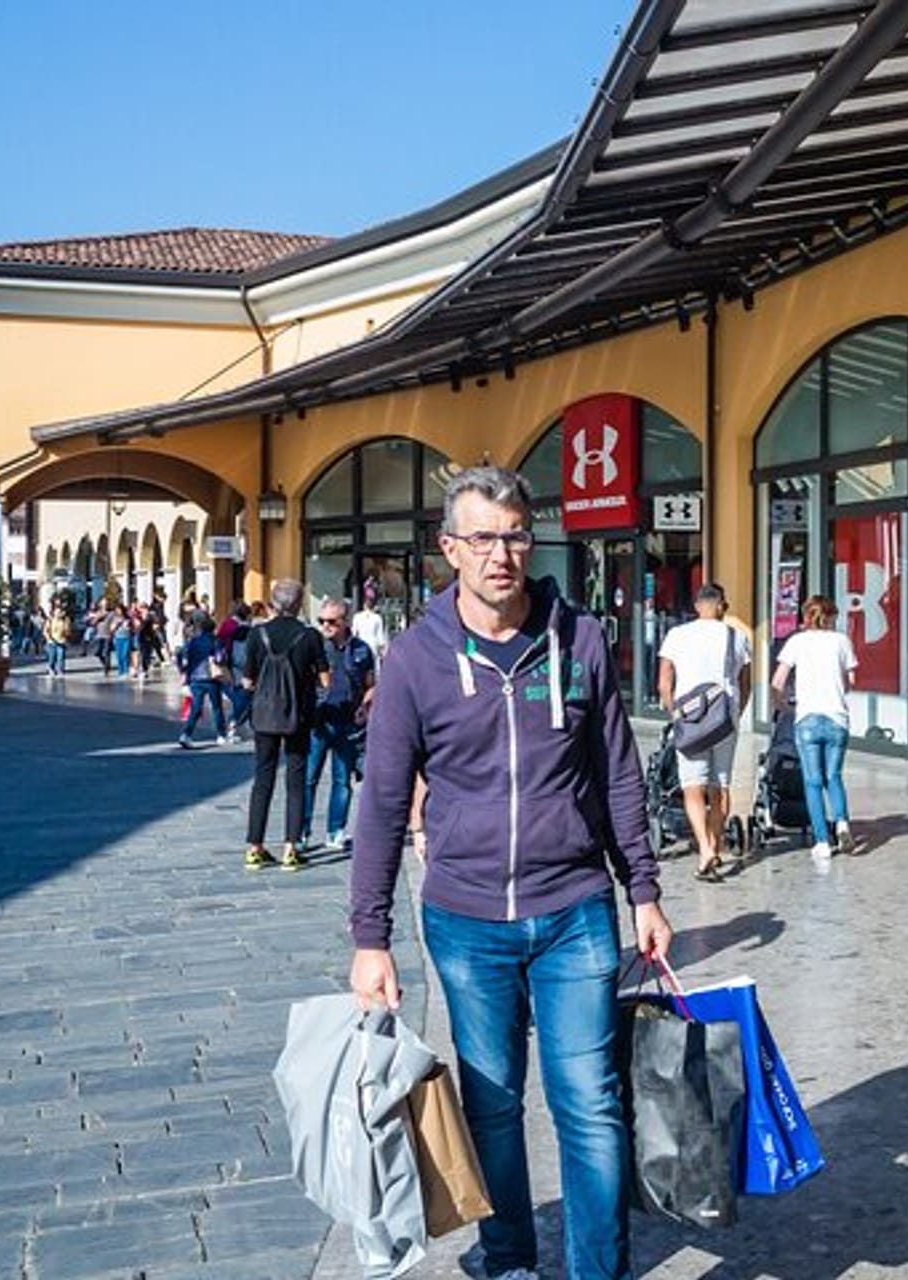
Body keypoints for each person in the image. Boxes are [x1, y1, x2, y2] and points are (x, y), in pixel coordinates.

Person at [349, 465, 670, 1280]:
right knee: (492, 1104)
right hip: (465, 920)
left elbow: (619, 773)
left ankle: (598, 1272)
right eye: (484, 538)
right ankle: (510, 1257)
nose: (502, 554)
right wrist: (370, 938)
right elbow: (381, 802)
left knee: (590, 1102)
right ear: (451, 549)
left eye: (517, 535)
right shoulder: (415, 661)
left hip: (575, 908)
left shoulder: (580, 639)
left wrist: (643, 888)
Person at [656, 583, 750, 882]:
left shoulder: (676, 635)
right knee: (720, 786)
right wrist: (736, 712)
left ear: (697, 606)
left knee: (692, 787)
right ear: (722, 606)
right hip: (725, 720)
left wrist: (674, 712)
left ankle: (705, 849)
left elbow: (664, 681)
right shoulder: (737, 636)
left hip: (690, 720)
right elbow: (745, 682)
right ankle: (715, 842)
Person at [240, 579, 328, 872]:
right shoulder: (310, 636)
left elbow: (248, 680)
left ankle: (255, 847)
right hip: (298, 715)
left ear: (273, 603)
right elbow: (325, 679)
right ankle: (291, 848)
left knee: (262, 778)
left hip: (264, 716)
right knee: (296, 779)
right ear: (299, 603)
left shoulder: (258, 634)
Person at [772, 595, 859, 863]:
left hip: (807, 717)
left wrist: (783, 706)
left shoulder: (797, 642)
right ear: (832, 617)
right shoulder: (842, 641)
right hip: (837, 718)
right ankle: (842, 823)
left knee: (812, 781)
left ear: (806, 616)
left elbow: (778, 681)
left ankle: (822, 842)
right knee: (834, 776)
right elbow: (851, 681)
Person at [301, 596, 377, 851]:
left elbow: (371, 684)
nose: (325, 626)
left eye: (332, 621)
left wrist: (365, 707)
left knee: (342, 780)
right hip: (319, 721)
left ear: (345, 621)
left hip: (348, 722)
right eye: (321, 621)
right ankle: (302, 832)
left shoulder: (361, 650)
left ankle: (336, 830)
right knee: (308, 778)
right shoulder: (315, 648)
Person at [175, 612, 228, 748]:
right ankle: (221, 734)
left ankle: (186, 734)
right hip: (211, 677)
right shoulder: (215, 640)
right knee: (216, 707)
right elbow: (220, 658)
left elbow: (181, 655)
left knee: (196, 707)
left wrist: (184, 672)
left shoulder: (193, 641)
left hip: (195, 677)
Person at [216, 600, 253, 742]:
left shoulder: (227, 624)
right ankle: (234, 723)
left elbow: (220, 642)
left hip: (230, 664)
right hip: (238, 666)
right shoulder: (243, 628)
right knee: (244, 697)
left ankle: (237, 723)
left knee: (242, 696)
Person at [351, 581, 390, 666]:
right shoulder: (377, 618)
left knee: (362, 668)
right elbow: (381, 639)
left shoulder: (357, 617)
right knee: (373, 668)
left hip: (361, 647)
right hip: (372, 647)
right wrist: (383, 653)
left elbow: (354, 634)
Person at [45, 602, 69, 678]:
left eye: (60, 612)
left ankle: (60, 670)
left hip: (61, 641)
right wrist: (48, 638)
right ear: (54, 613)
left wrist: (66, 634)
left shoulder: (64, 620)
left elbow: (67, 631)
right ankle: (51, 669)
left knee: (60, 657)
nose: (58, 614)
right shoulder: (50, 620)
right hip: (52, 642)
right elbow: (46, 630)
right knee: (52, 657)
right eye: (57, 612)